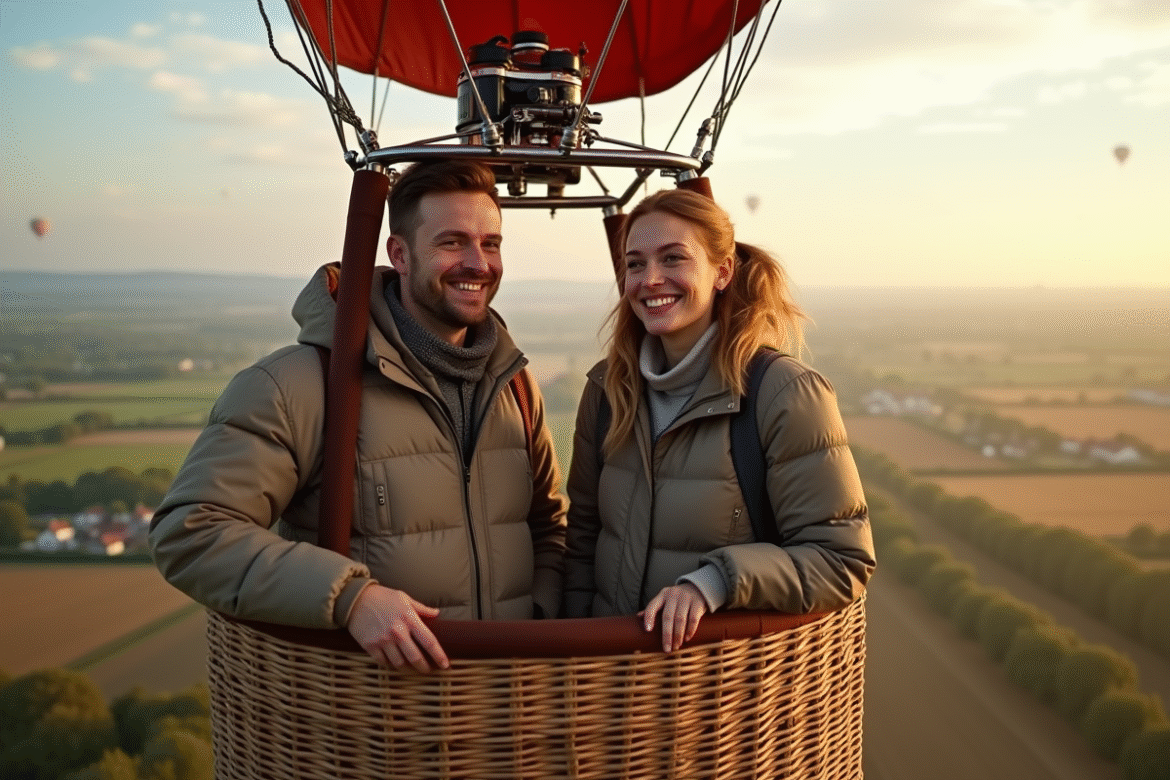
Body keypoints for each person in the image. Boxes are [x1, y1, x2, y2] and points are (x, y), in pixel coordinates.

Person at [150, 159, 567, 673]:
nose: (478, 263)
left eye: (491, 243)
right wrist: (351, 598)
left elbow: (548, 526)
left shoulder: (515, 387)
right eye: (452, 242)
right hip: (372, 715)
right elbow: (190, 532)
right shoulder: (299, 385)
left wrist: (539, 613)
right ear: (400, 254)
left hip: (507, 706)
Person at [562, 188, 875, 652]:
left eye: (673, 259)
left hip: (723, 690)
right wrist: (572, 651)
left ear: (722, 272)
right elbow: (584, 541)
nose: (650, 279)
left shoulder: (783, 393)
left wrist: (715, 581)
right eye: (634, 264)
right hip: (612, 688)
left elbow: (841, 559)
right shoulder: (609, 391)